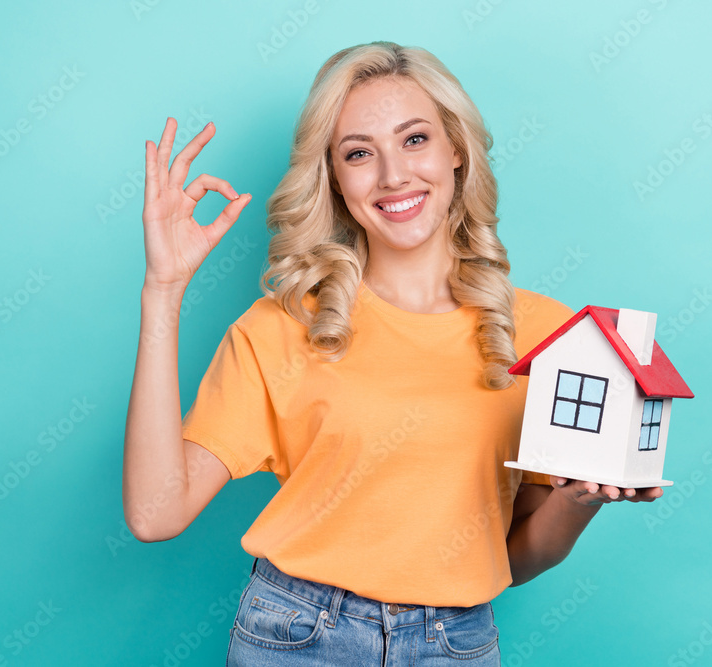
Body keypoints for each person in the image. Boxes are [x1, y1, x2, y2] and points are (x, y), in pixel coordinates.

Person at [123, 40, 663, 666]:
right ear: (333, 176)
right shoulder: (282, 327)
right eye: (359, 153)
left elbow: (515, 558)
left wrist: (579, 497)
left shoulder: (546, 335)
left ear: (455, 150)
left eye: (414, 140)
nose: (393, 175)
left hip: (455, 644)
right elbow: (156, 513)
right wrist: (162, 291)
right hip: (297, 640)